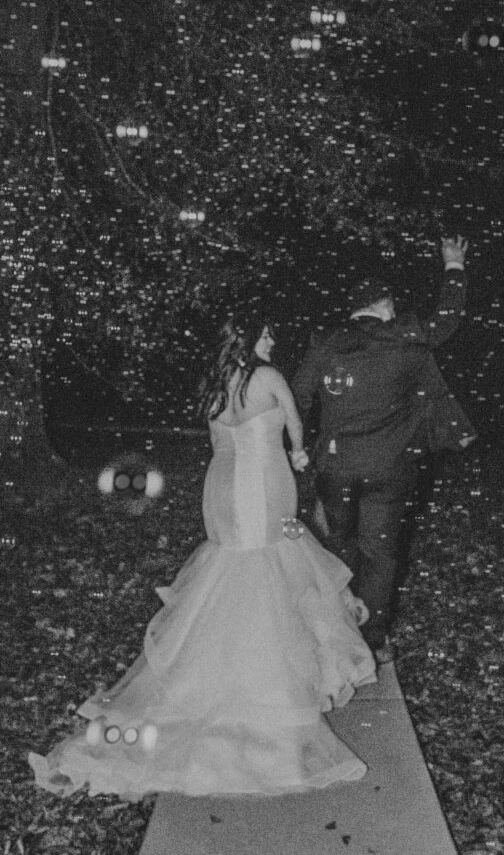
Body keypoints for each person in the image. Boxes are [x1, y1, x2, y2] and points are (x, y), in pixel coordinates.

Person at [28, 317, 376, 799]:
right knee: (266, 564)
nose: (273, 340)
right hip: (261, 484)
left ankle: (211, 667)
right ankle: (262, 679)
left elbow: (218, 440)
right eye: (268, 333)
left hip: (222, 487)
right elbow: (296, 429)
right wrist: (298, 456)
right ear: (251, 339)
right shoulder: (268, 378)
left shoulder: (213, 385)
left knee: (231, 564)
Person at [292, 237, 476, 664]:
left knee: (340, 544)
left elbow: (299, 396)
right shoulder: (404, 337)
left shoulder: (326, 343)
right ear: (385, 304)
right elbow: (445, 322)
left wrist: (297, 446)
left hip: (335, 466)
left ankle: (337, 623)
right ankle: (370, 637)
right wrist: (453, 267)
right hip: (389, 467)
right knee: (380, 552)